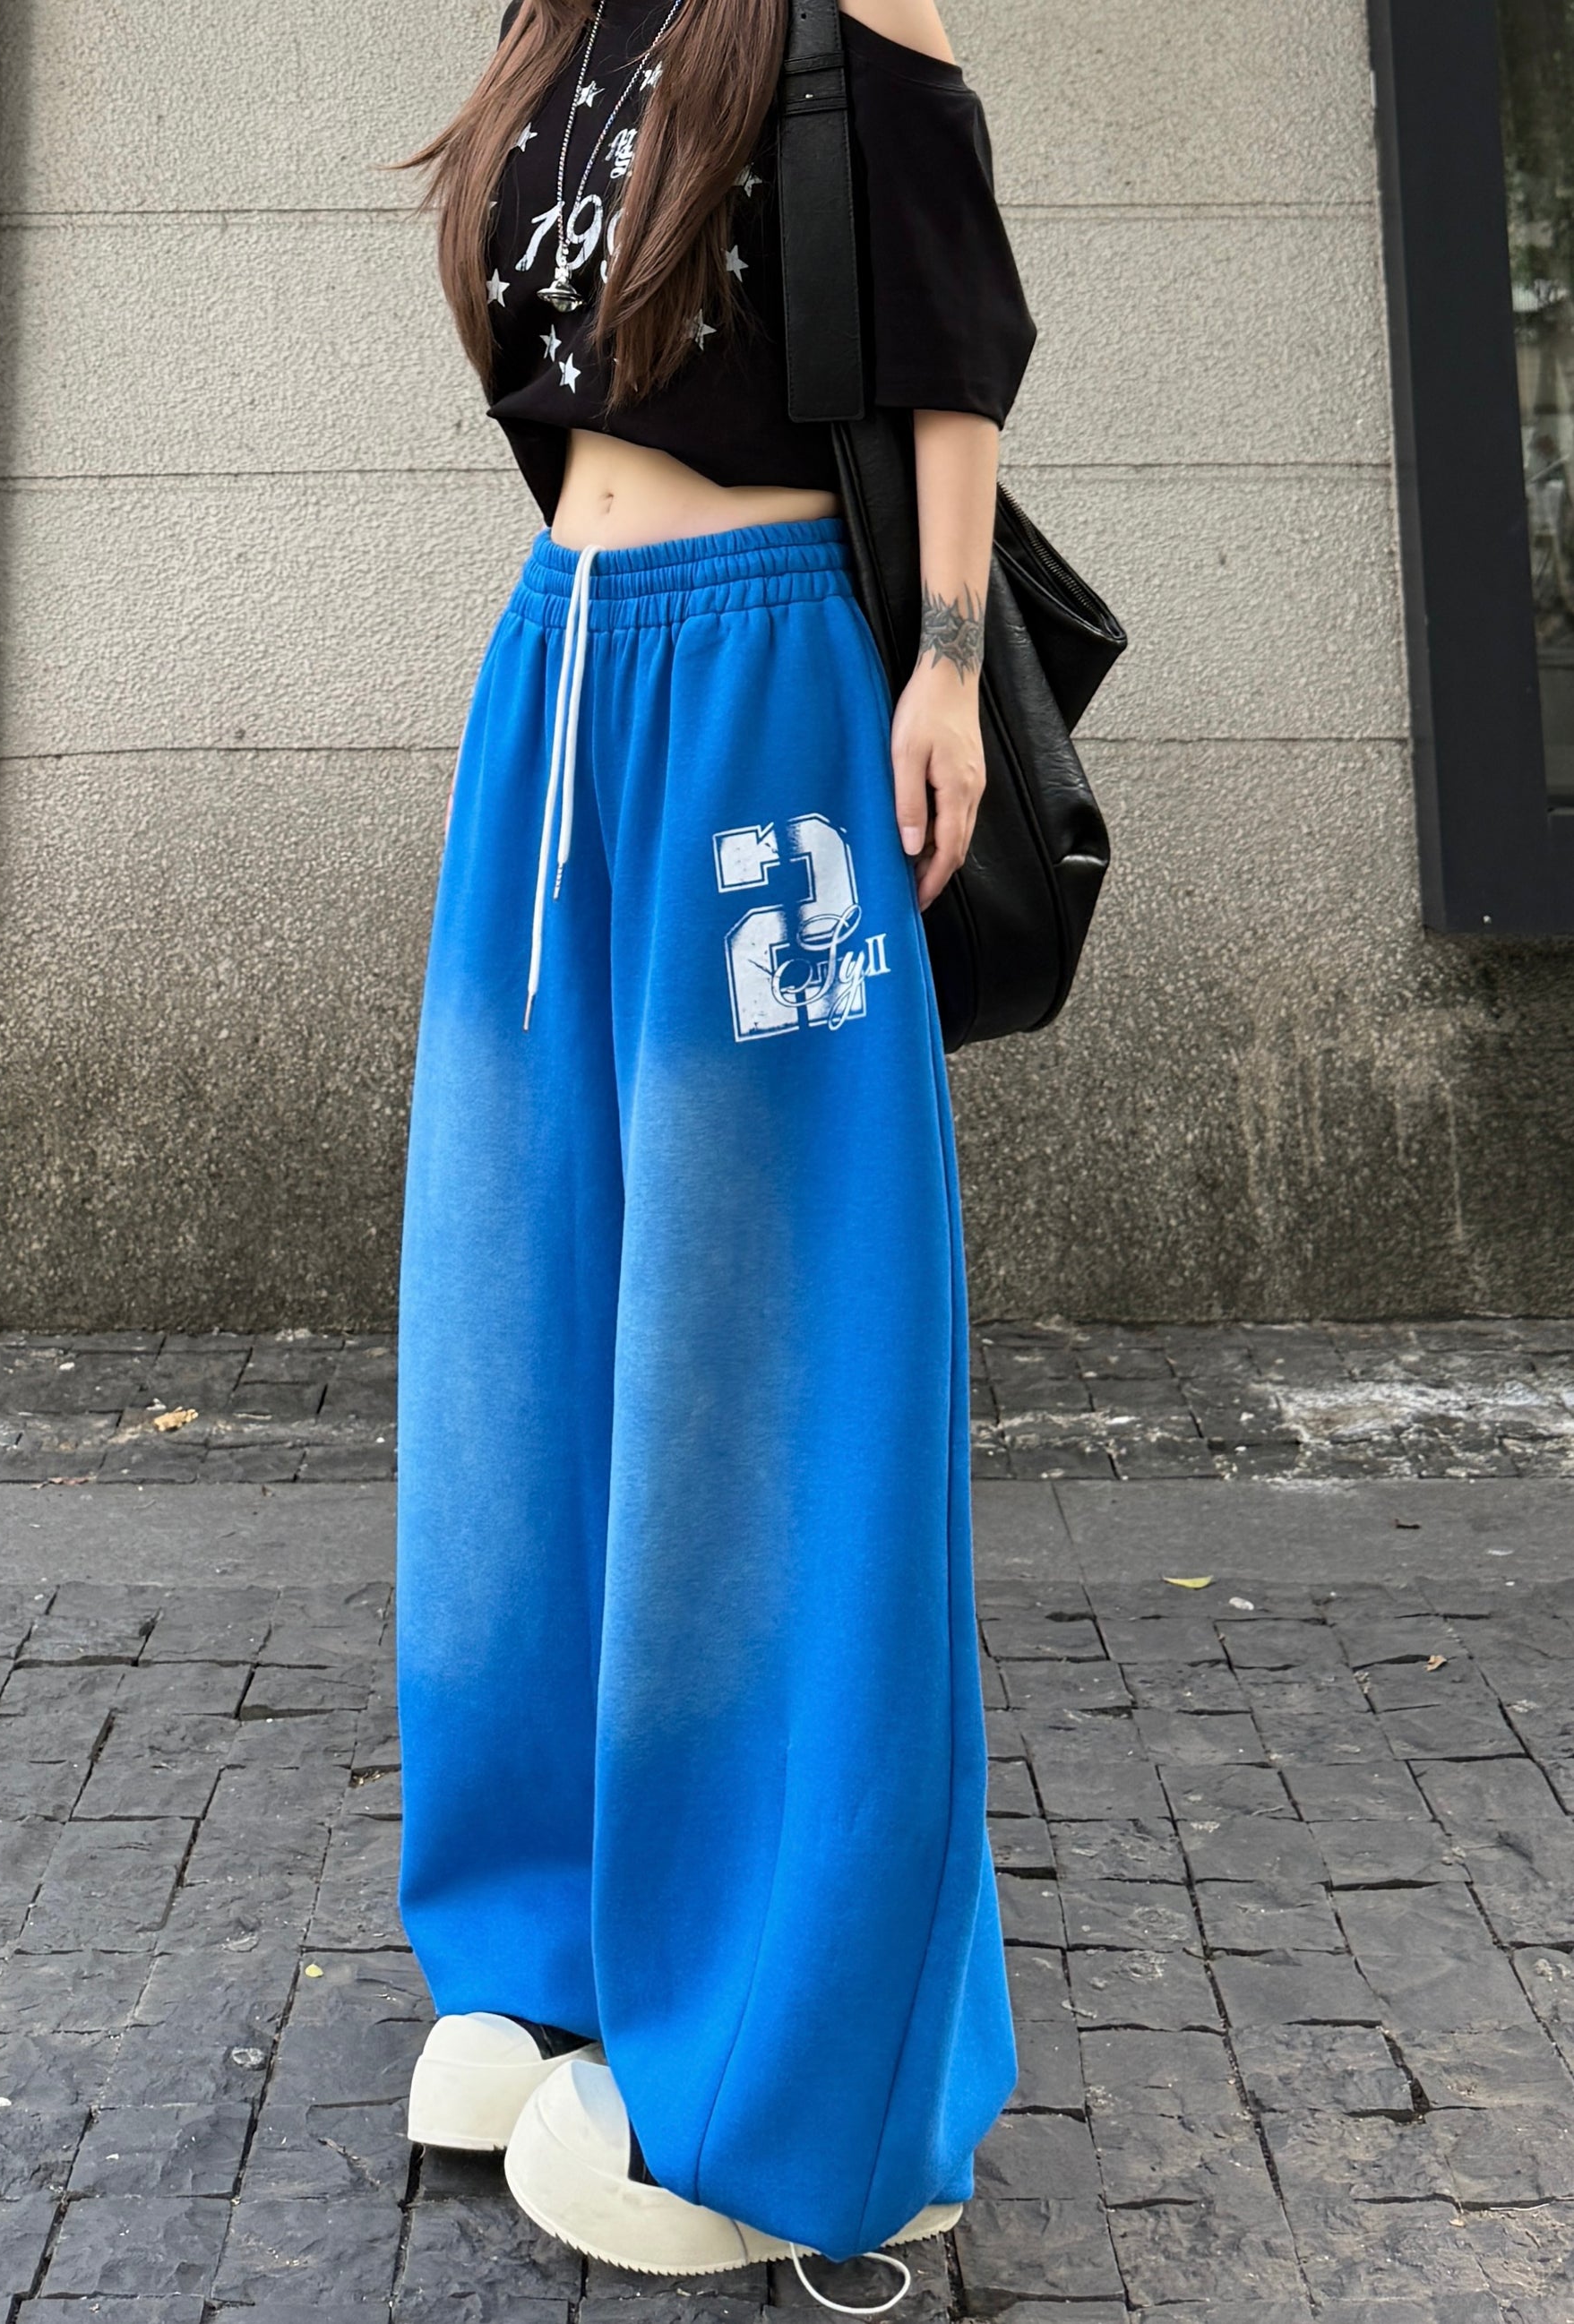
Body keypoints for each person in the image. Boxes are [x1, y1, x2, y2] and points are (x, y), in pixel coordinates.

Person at [393, 0, 1036, 2294]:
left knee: (774, 1370)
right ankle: (547, 1946)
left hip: (768, 682)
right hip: (559, 660)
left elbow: (950, 326)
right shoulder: (555, 17)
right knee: (519, 1325)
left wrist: (940, 660)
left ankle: (800, 2083)